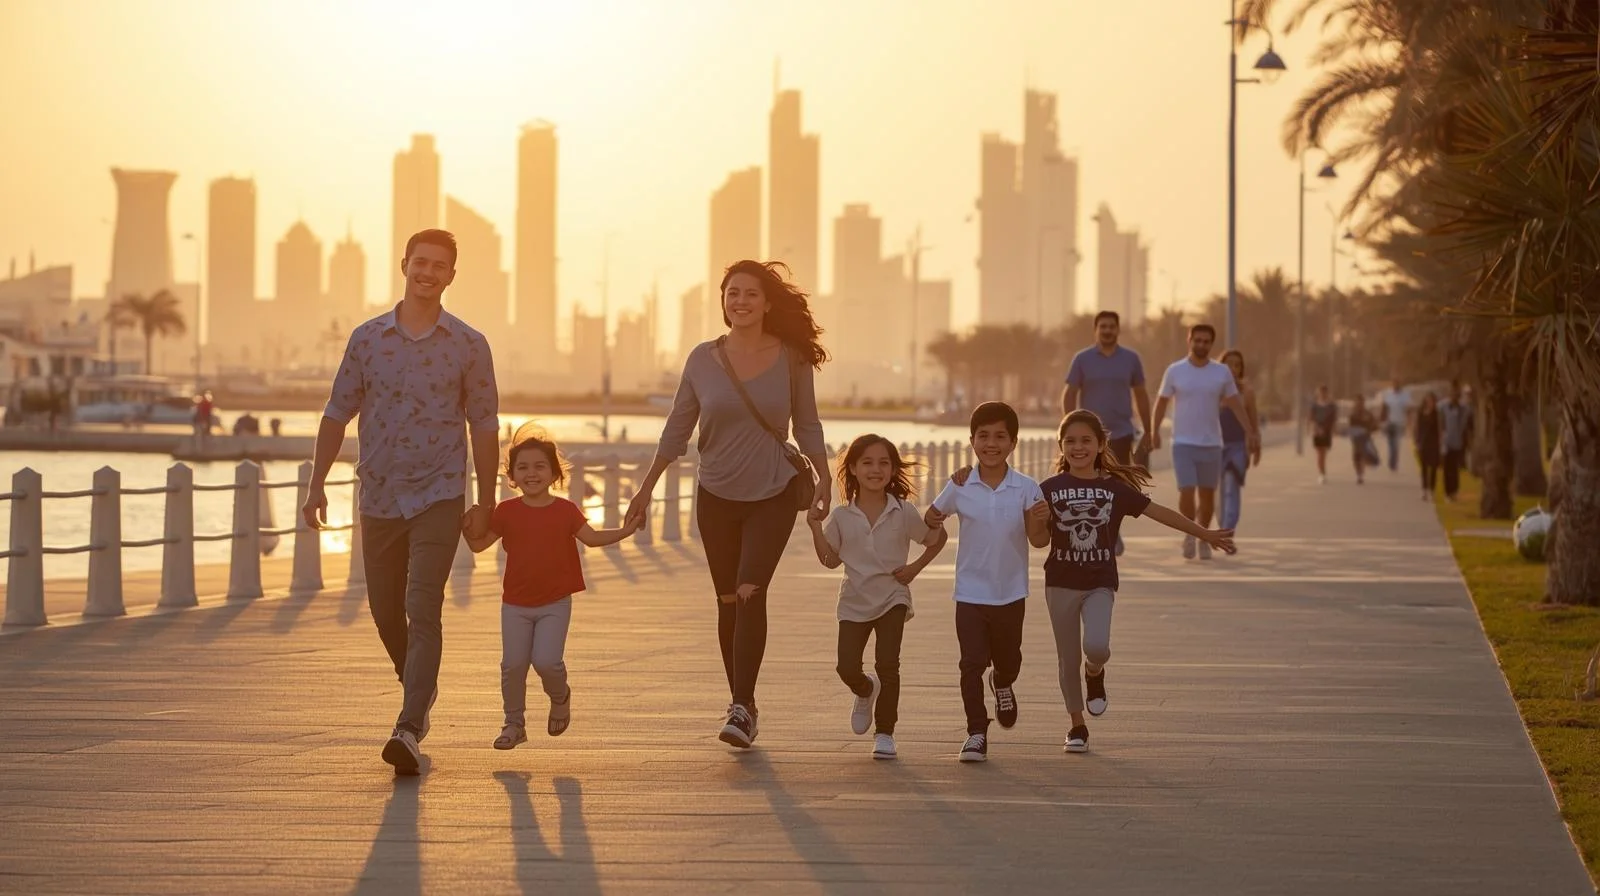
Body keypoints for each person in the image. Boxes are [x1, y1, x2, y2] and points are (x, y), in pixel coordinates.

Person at [303, 229, 501, 776]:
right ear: (404, 265)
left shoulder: (468, 344)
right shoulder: (368, 339)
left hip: (439, 493)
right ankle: (421, 689)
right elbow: (336, 413)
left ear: (452, 276)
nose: (428, 272)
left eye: (440, 265)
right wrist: (316, 483)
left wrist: (485, 501)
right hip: (379, 495)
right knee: (385, 611)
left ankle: (409, 724)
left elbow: (484, 422)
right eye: (421, 262)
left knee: (422, 606)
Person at [624, 260, 830, 750]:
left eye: (750, 294)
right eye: (732, 293)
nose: (740, 301)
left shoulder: (792, 357)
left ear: (767, 303)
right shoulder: (702, 359)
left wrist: (824, 478)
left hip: (774, 491)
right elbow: (677, 429)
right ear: (722, 300)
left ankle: (740, 706)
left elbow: (809, 423)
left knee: (750, 590)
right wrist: (647, 487)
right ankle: (745, 704)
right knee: (726, 600)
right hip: (716, 494)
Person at [1041, 409, 1235, 754]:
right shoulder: (1049, 489)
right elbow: (1031, 533)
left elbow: (1160, 512)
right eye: (1070, 441)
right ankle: (1077, 726)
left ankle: (1095, 672)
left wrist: (1204, 533)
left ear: (1101, 444)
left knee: (1096, 646)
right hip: (1059, 582)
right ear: (1061, 446)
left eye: (1086, 440)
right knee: (1065, 659)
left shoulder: (1115, 489)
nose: (1078, 447)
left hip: (1100, 581)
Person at [461, 425, 639, 750]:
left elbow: (593, 538)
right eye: (523, 467)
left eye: (540, 466)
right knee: (512, 665)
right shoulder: (506, 512)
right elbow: (478, 547)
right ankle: (513, 724)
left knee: (546, 661)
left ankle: (561, 696)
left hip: (555, 603)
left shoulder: (566, 510)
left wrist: (626, 531)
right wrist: (464, 525)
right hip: (514, 604)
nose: (532, 473)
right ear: (512, 475)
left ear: (554, 473)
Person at [805, 434, 947, 760]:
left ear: (893, 469)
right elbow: (829, 560)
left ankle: (885, 732)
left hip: (893, 597)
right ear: (852, 468)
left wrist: (914, 568)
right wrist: (815, 527)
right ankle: (865, 689)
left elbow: (934, 540)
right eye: (867, 462)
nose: (876, 469)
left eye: (884, 462)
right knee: (846, 666)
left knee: (888, 664)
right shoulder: (841, 516)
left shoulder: (903, 510)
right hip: (853, 600)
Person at [924, 401, 1051, 763]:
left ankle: (1004, 682)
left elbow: (1038, 541)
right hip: (970, 592)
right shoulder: (961, 484)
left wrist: (1042, 519)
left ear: (1013, 442)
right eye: (983, 436)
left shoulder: (1027, 488)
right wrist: (932, 520)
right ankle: (976, 732)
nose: (991, 443)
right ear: (971, 440)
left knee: (1009, 660)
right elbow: (931, 518)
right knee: (971, 663)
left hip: (1010, 593)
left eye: (1000, 436)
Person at [1150, 325, 1258, 560]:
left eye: (1206, 341)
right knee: (1187, 491)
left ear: (1211, 344)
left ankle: (1203, 538)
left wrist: (1250, 432)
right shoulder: (1175, 370)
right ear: (1189, 340)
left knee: (1207, 497)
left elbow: (1235, 404)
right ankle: (1189, 534)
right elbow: (1161, 402)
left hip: (1211, 444)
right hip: (1182, 443)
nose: (1201, 344)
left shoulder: (1221, 373)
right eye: (1197, 340)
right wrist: (1154, 431)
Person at [1063, 310, 1153, 556]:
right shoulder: (1082, 359)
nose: (1107, 330)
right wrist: (1068, 428)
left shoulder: (1131, 359)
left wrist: (1149, 429)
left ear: (1118, 329)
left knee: (1115, 486)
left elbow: (1141, 394)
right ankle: (1099, 531)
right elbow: (1069, 393)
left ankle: (1113, 531)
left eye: (1111, 326)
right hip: (1088, 437)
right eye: (1103, 326)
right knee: (1092, 484)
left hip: (1122, 433)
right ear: (1096, 329)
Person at [1217, 349, 1260, 535]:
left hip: (1237, 448)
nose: (1233, 368)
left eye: (1237, 365)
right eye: (1229, 364)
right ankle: (1222, 527)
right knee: (1218, 492)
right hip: (1215, 447)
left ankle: (1228, 530)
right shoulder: (1213, 390)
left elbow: (1253, 422)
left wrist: (1256, 447)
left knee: (1231, 486)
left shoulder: (1246, 392)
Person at [1439, 380, 1474, 502]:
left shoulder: (1464, 409)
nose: (1454, 397)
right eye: (1453, 394)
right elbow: (1441, 423)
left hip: (1459, 443)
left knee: (1455, 468)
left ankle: (1454, 491)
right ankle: (1448, 492)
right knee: (1447, 469)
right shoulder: (1444, 407)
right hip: (1447, 442)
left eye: (1456, 395)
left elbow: (1469, 424)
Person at [1378, 379, 1411, 473]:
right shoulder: (1388, 394)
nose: (1395, 385)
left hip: (1400, 422)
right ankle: (1391, 461)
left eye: (1397, 383)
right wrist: (1381, 420)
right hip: (1389, 422)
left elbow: (1408, 409)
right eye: (1394, 383)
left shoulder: (1404, 395)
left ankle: (1394, 463)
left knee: (1396, 444)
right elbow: (1384, 407)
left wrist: (1409, 422)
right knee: (1390, 444)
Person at [1415, 392, 1442, 501]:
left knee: (1434, 467)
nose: (1430, 403)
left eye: (1432, 401)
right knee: (1424, 467)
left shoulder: (1436, 414)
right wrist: (1417, 441)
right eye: (1428, 400)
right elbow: (1418, 427)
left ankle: (1432, 490)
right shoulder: (1421, 413)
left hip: (1433, 443)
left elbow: (1439, 429)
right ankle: (1424, 489)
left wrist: (1440, 442)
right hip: (1423, 442)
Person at [1309, 385, 1338, 484]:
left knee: (1323, 453)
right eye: (1320, 392)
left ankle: (1322, 472)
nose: (1322, 394)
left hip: (1327, 431)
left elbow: (1333, 419)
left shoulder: (1331, 406)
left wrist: (1332, 429)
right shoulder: (1314, 405)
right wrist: (1313, 428)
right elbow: (1311, 418)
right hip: (1317, 431)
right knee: (1319, 453)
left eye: (1324, 392)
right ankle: (1322, 473)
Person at [1348, 395, 1378, 484]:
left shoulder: (1368, 414)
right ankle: (1358, 473)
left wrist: (1370, 430)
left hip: (1365, 438)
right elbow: (1351, 427)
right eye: (1357, 402)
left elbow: (1374, 425)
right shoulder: (1352, 415)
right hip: (1356, 438)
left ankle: (1360, 475)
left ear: (1363, 403)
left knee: (1362, 456)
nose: (1359, 404)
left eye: (1361, 402)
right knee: (1355, 457)